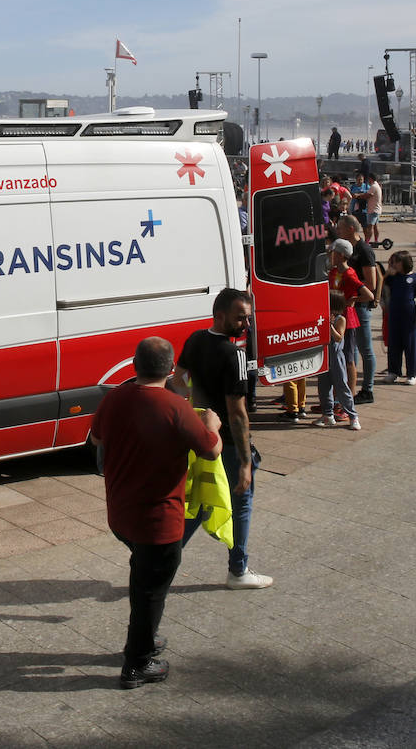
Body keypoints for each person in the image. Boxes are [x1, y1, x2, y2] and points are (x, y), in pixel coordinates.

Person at [88, 336, 222, 689]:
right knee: (151, 589)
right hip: (158, 521)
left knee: (143, 578)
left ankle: (143, 640)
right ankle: (137, 665)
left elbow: (98, 439)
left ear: (135, 365)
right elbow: (210, 451)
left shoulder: (114, 398)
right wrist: (213, 425)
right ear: (171, 369)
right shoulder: (176, 407)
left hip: (121, 515)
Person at [171, 288, 272, 590]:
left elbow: (177, 378)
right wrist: (244, 462)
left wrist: (194, 407)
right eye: (241, 318)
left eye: (248, 318)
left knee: (200, 503)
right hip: (227, 443)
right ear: (220, 316)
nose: (247, 325)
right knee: (240, 503)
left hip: (201, 439)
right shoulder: (235, 355)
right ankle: (238, 571)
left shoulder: (195, 339)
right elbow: (238, 413)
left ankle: (163, 558)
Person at [336, 217, 378, 404]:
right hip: (348, 308)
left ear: (351, 229)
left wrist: (356, 296)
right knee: (350, 351)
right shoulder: (347, 249)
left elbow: (372, 282)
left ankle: (367, 389)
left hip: (359, 308)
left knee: (365, 349)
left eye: (340, 227)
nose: (337, 230)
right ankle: (348, 390)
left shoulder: (364, 250)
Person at [314, 291, 359, 430]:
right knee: (324, 386)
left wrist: (330, 325)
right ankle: (328, 414)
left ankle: (353, 416)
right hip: (324, 356)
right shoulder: (323, 317)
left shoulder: (341, 319)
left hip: (336, 357)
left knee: (341, 385)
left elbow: (339, 337)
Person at [382, 251, 416, 384]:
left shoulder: (415, 278)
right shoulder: (392, 278)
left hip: (409, 315)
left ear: (403, 262)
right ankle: (393, 371)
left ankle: (412, 373)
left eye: (396, 262)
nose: (394, 264)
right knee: (394, 343)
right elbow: (382, 290)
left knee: (410, 344)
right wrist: (387, 274)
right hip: (394, 315)